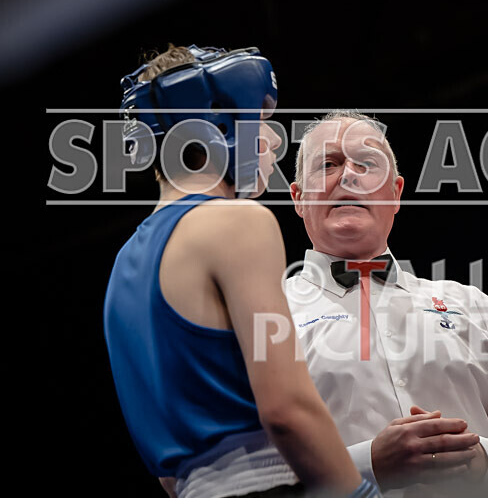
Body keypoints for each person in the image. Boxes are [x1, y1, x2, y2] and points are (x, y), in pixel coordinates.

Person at [104, 46, 378, 498]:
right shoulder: (238, 223)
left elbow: (168, 473)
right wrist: (356, 492)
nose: (272, 140)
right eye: (261, 119)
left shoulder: (123, 270)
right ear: (218, 123)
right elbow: (287, 409)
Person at [284, 110, 488, 496]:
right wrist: (366, 465)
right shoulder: (263, 316)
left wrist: (484, 460)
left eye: (367, 164)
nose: (349, 176)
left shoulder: (474, 306)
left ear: (395, 194)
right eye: (329, 164)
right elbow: (233, 477)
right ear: (298, 198)